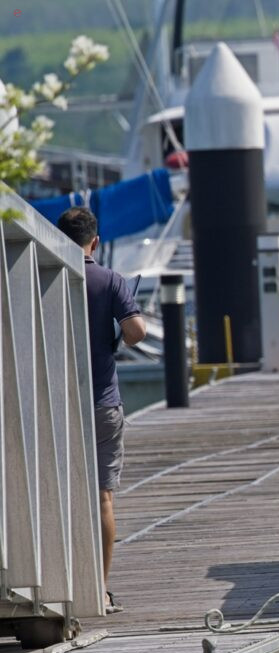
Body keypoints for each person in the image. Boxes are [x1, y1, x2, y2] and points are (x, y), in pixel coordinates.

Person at [56, 206, 147, 614]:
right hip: (100, 402)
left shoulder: (46, 275)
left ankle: (56, 585)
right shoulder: (110, 279)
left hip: (52, 405)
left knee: (53, 496)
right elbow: (137, 332)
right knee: (102, 498)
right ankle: (101, 591)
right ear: (96, 242)